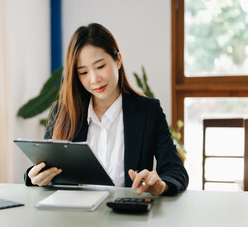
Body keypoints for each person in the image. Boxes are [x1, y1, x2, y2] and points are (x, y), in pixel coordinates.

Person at [24, 23, 188, 196]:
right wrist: (35, 177)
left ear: (118, 60)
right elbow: (42, 167)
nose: (94, 79)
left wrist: (160, 185)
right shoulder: (63, 112)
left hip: (127, 216)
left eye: (100, 66)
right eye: (83, 72)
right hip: (73, 216)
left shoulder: (149, 111)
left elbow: (175, 170)